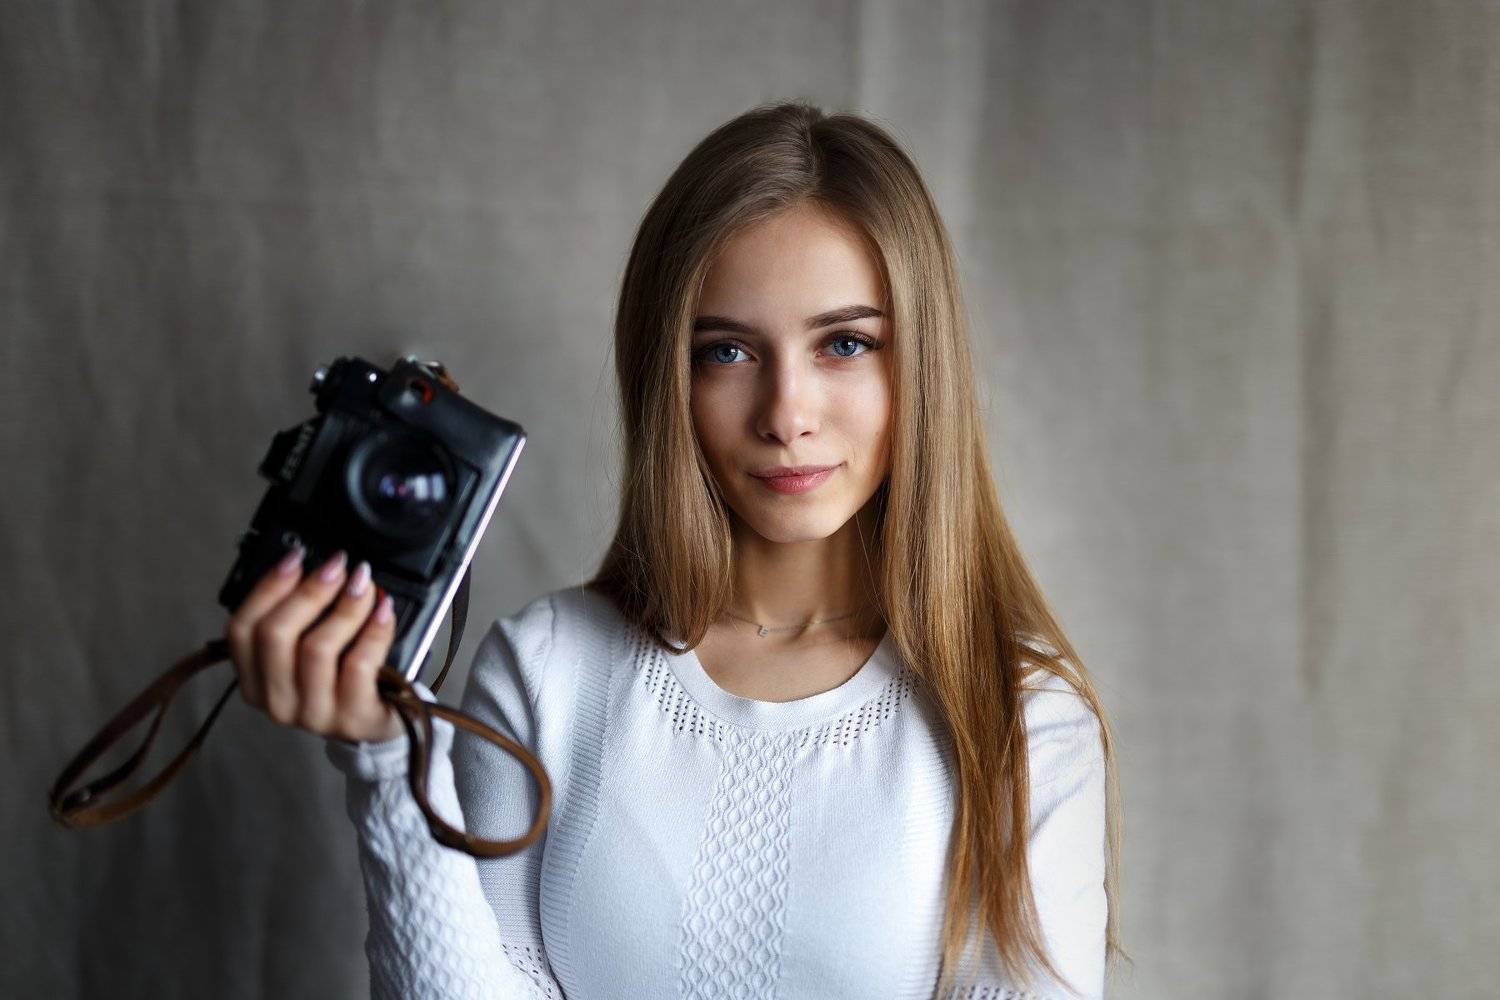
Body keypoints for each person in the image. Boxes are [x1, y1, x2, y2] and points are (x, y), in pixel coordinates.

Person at [224, 100, 1127, 1000]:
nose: (786, 415)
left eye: (845, 344)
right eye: (728, 352)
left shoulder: (1017, 720)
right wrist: (386, 759)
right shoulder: (546, 672)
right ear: (666, 377)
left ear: (919, 367)